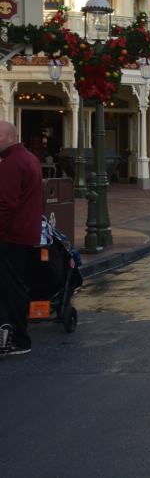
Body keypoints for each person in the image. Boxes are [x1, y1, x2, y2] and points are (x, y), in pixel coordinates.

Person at [0, 121, 43, 357]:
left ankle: (18, 338)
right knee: (14, 285)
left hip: (12, 235)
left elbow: (6, 204)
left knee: (10, 288)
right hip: (25, 232)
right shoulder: (28, 158)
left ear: (8, 137)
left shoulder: (12, 164)